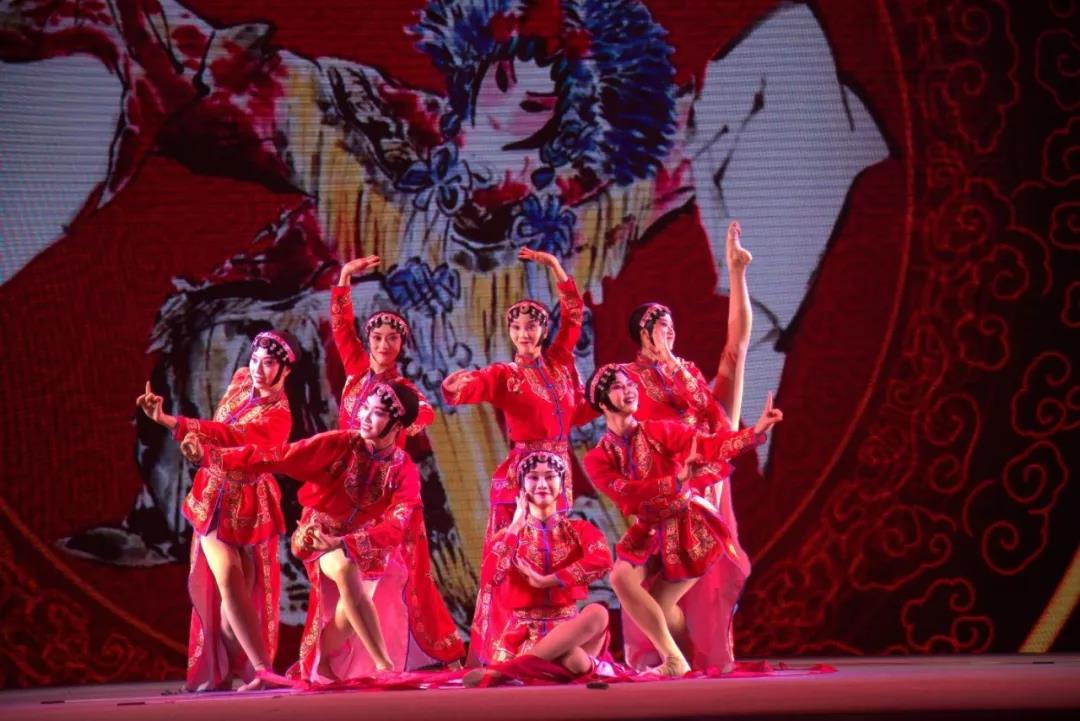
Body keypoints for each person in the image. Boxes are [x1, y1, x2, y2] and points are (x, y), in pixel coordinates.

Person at [181, 381, 464, 682]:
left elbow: (399, 523)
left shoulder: (402, 469)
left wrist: (350, 542)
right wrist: (210, 457)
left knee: (348, 613)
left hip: (362, 543)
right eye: (365, 409)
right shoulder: (340, 444)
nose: (365, 417)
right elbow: (278, 456)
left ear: (397, 427)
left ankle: (320, 660)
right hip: (318, 534)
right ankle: (385, 667)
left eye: (378, 413)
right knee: (345, 571)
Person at [441, 247, 592, 664]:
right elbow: (479, 384)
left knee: (555, 554)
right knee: (516, 558)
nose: (524, 333)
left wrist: (555, 267)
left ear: (544, 330)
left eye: (532, 326)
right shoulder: (506, 375)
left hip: (560, 472)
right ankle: (505, 647)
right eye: (517, 328)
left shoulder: (560, 363)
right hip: (524, 476)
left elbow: (574, 314)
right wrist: (458, 386)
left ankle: (554, 644)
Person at [582, 364, 783, 676]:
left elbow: (708, 445)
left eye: (631, 384)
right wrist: (674, 481)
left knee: (659, 607)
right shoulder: (597, 458)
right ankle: (680, 660)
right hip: (649, 530)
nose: (630, 390)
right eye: (618, 386)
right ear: (602, 401)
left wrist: (754, 433)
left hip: (688, 525)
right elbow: (627, 493)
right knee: (622, 578)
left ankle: (679, 661)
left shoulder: (659, 431)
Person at [620, 221, 756, 671]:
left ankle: (682, 659)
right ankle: (673, 656)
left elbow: (736, 347)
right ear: (643, 333)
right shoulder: (629, 379)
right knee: (651, 597)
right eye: (661, 325)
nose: (669, 332)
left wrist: (736, 272)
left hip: (706, 487)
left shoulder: (690, 375)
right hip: (665, 493)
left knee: (693, 600)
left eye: (672, 325)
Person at [138, 330, 298, 691]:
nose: (257, 369)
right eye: (255, 360)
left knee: (233, 607)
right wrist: (195, 441)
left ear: (285, 370)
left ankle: (224, 671)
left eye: (268, 363)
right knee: (227, 579)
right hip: (214, 495)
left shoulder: (278, 418)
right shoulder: (241, 380)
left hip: (250, 501)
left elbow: (233, 439)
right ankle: (263, 670)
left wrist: (175, 425)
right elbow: (220, 428)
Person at [464, 451, 612, 686]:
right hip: (524, 634)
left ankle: (505, 673)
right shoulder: (507, 536)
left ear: (562, 484)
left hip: (568, 628)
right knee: (575, 661)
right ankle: (567, 667)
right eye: (533, 477)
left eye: (550, 477)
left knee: (598, 613)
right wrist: (515, 525)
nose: (542, 484)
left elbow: (602, 560)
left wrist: (549, 580)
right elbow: (492, 576)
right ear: (521, 485)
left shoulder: (580, 530)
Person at [332, 255, 435, 441]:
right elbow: (342, 327)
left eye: (392, 338)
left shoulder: (401, 388)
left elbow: (426, 413)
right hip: (346, 455)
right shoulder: (357, 367)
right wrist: (345, 275)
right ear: (368, 339)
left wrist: (400, 421)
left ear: (401, 343)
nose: (383, 346)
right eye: (377, 337)